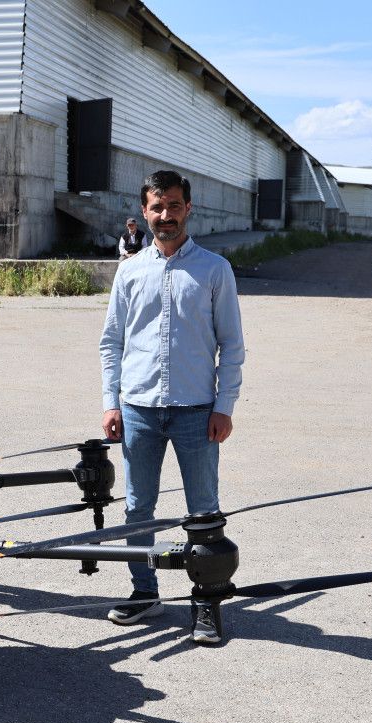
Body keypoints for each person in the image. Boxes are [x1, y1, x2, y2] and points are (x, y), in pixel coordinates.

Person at [99, 170, 245, 645]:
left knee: (203, 512)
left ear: (188, 209)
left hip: (196, 411)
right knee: (138, 508)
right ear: (144, 212)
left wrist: (224, 406)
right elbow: (112, 343)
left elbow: (232, 345)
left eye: (174, 206)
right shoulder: (129, 271)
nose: (166, 216)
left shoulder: (214, 269)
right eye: (157, 207)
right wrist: (111, 402)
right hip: (138, 408)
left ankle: (206, 603)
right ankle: (145, 592)